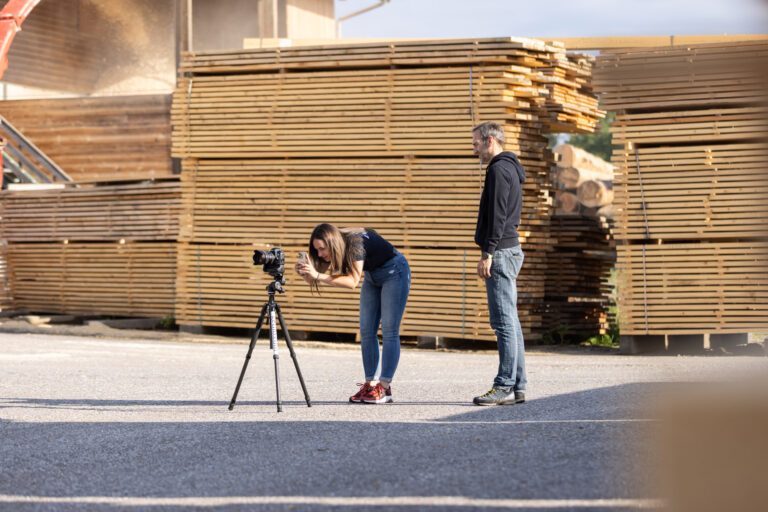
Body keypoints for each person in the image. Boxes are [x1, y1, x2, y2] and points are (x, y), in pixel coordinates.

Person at [295, 223, 410, 404]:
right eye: (316, 250)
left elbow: (352, 282)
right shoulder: (333, 247)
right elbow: (316, 278)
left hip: (395, 271)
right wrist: (306, 274)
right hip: (373, 276)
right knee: (366, 330)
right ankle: (370, 384)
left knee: (389, 330)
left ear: (332, 243)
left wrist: (316, 275)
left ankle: (385, 388)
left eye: (322, 249)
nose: (319, 254)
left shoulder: (355, 243)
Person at [471, 121, 527, 406]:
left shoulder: (497, 169)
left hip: (501, 252)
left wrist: (488, 253)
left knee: (503, 322)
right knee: (511, 321)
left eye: (476, 143)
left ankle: (503, 384)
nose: (474, 148)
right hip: (510, 248)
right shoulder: (512, 168)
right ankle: (519, 385)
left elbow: (497, 215)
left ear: (490, 140)